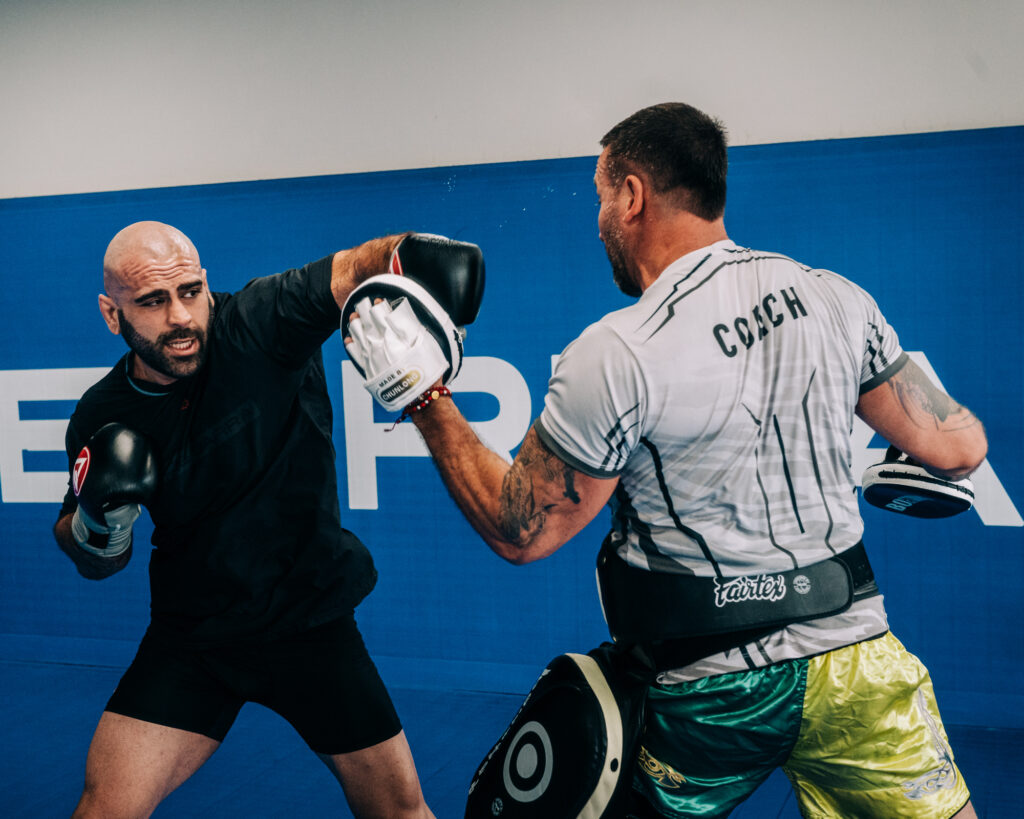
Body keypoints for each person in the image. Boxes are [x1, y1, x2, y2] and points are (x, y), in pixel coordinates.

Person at [350, 103, 987, 817]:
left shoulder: (619, 350)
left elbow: (521, 530)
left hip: (710, 692)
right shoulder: (838, 299)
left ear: (632, 196)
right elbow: (959, 448)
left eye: (600, 197)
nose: (598, 222)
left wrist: (422, 394)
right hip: (858, 663)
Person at [53, 221, 439, 818]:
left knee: (400, 811)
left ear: (205, 283)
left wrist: (416, 256)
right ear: (112, 314)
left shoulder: (261, 320)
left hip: (310, 625)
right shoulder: (102, 413)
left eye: (190, 292)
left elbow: (353, 267)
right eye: (152, 302)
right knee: (103, 808)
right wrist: (102, 522)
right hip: (193, 638)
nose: (180, 317)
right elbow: (93, 559)